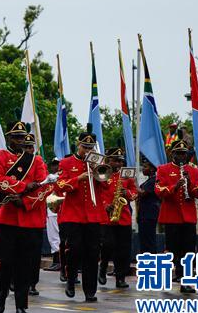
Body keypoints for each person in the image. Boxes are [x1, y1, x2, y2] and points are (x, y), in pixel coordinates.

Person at [0, 130, 48, 313]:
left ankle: (21, 306)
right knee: (4, 262)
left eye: (23, 137)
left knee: (25, 265)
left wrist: (24, 202)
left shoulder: (36, 160)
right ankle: (3, 293)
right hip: (6, 218)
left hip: (29, 219)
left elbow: (43, 185)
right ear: (9, 138)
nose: (21, 141)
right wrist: (21, 187)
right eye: (17, 137)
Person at [55, 129, 107, 302]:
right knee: (75, 249)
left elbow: (107, 185)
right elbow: (60, 186)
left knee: (93, 253)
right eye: (85, 147)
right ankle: (70, 280)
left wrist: (97, 171)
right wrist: (79, 178)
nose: (88, 150)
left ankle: (90, 290)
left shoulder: (98, 161)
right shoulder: (66, 162)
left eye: (91, 147)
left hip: (93, 214)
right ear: (78, 145)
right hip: (73, 214)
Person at [156, 140, 198, 293]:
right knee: (172, 250)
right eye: (179, 153)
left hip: (188, 217)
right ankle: (167, 276)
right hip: (172, 216)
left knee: (189, 251)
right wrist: (175, 186)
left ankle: (187, 281)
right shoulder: (163, 169)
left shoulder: (194, 171)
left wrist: (189, 184)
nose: (182, 156)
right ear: (173, 154)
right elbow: (158, 190)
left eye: (184, 153)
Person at [98, 148, 137, 289]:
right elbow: (98, 193)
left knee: (123, 249)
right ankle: (102, 267)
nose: (119, 163)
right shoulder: (102, 174)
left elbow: (134, 193)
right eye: (116, 160)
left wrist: (128, 193)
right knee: (108, 245)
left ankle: (120, 278)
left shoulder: (127, 176)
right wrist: (104, 205)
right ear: (109, 160)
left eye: (121, 161)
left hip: (123, 216)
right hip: (106, 217)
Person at [136, 158, 160, 255]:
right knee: (144, 238)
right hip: (143, 214)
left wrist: (134, 183)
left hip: (149, 214)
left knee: (149, 238)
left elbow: (142, 193)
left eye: (145, 167)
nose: (143, 169)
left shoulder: (154, 180)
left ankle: (151, 259)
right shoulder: (148, 180)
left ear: (152, 169)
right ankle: (145, 258)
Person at [43, 159, 62, 273]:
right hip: (51, 209)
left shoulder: (58, 177)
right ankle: (57, 261)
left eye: (57, 165)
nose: (55, 167)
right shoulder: (50, 177)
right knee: (53, 236)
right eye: (53, 165)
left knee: (56, 236)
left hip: (58, 209)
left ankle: (58, 262)